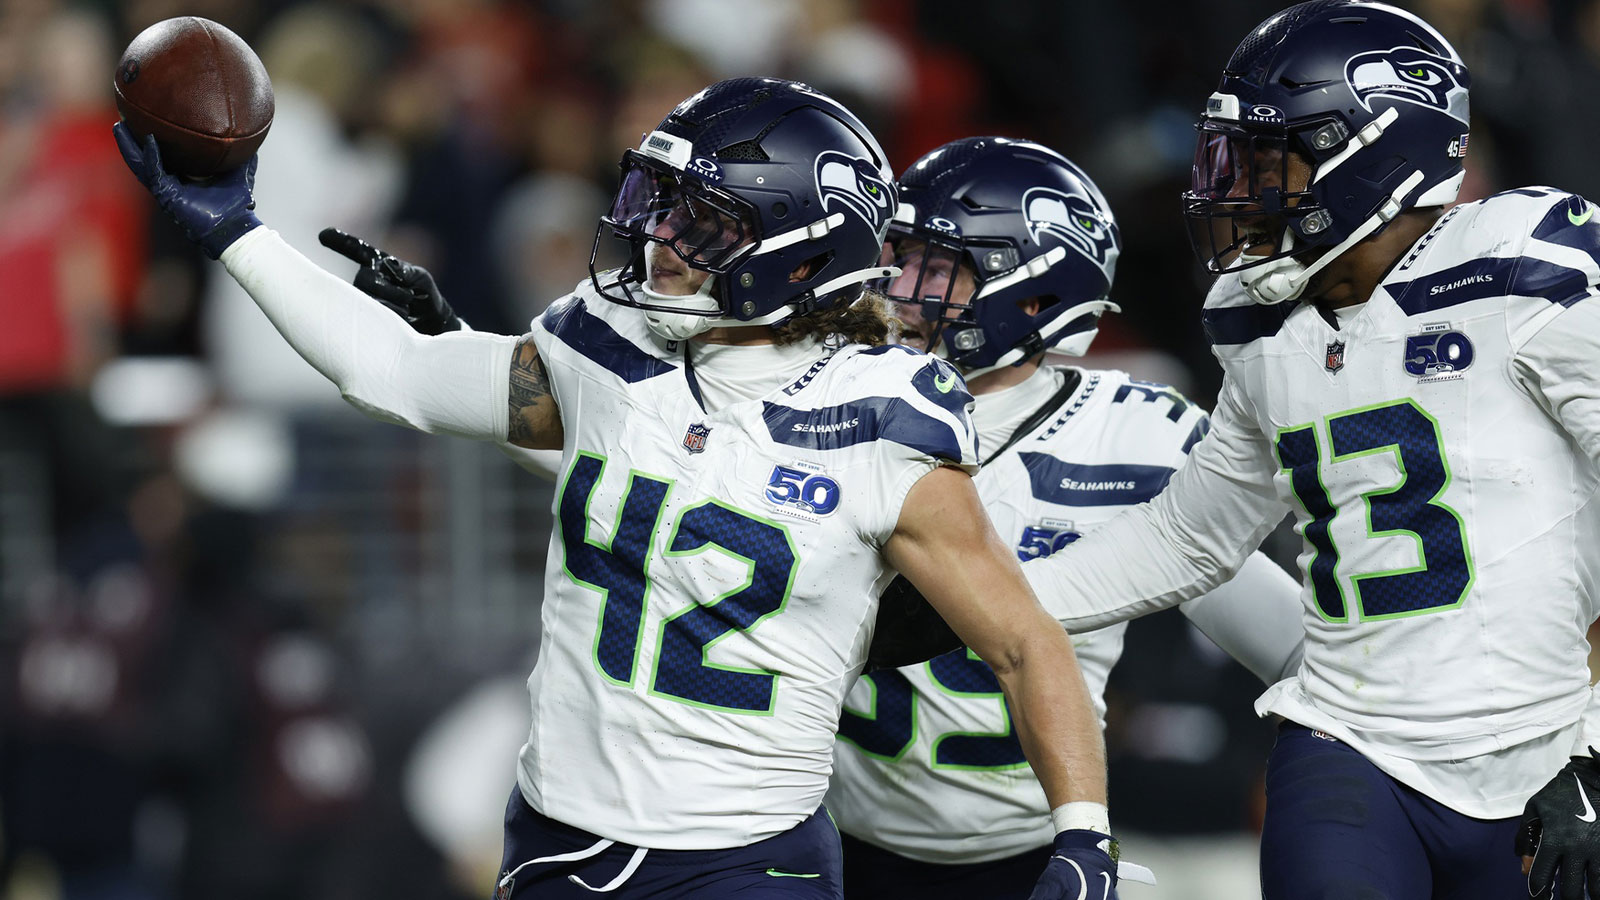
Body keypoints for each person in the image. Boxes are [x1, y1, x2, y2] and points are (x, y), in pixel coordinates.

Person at [115, 77, 1121, 899]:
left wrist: (1080, 836)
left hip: (745, 857)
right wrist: (238, 233)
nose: (659, 235)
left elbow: (1023, 642)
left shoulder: (887, 415)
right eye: (662, 201)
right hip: (557, 833)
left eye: (702, 219)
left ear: (797, 249)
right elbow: (393, 372)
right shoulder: (609, 348)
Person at [990, 3, 1600, 899]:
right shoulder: (1263, 317)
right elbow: (1191, 537)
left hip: (1551, 744)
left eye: (1271, 158)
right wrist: (994, 610)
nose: (1238, 187)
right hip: (1346, 740)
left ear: (1376, 149)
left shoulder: (1519, 264)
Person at [823, 136, 1304, 898]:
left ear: (1034, 294)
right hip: (836, 839)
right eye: (897, 256)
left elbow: (1294, 649)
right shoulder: (824, 400)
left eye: (935, 266)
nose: (897, 288)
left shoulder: (1136, 438)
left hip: (1040, 850)